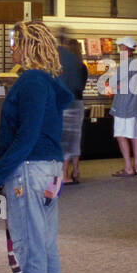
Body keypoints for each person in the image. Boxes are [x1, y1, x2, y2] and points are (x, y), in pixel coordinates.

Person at [0, 20, 74, 273]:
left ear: (28, 46)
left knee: (29, 247)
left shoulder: (32, 81)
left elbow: (26, 136)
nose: (11, 48)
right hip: (48, 170)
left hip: (29, 171)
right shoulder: (47, 81)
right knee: (46, 245)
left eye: (15, 43)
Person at [110, 36, 137, 176]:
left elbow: (113, 83)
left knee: (120, 135)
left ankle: (128, 167)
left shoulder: (125, 64)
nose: (120, 50)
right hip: (136, 106)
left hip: (123, 106)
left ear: (127, 49)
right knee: (135, 135)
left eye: (121, 47)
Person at [56, 37, 88, 184]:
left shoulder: (64, 66)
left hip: (66, 103)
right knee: (76, 139)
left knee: (66, 140)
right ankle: (76, 171)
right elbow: (80, 86)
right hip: (78, 104)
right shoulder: (82, 67)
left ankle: (64, 174)